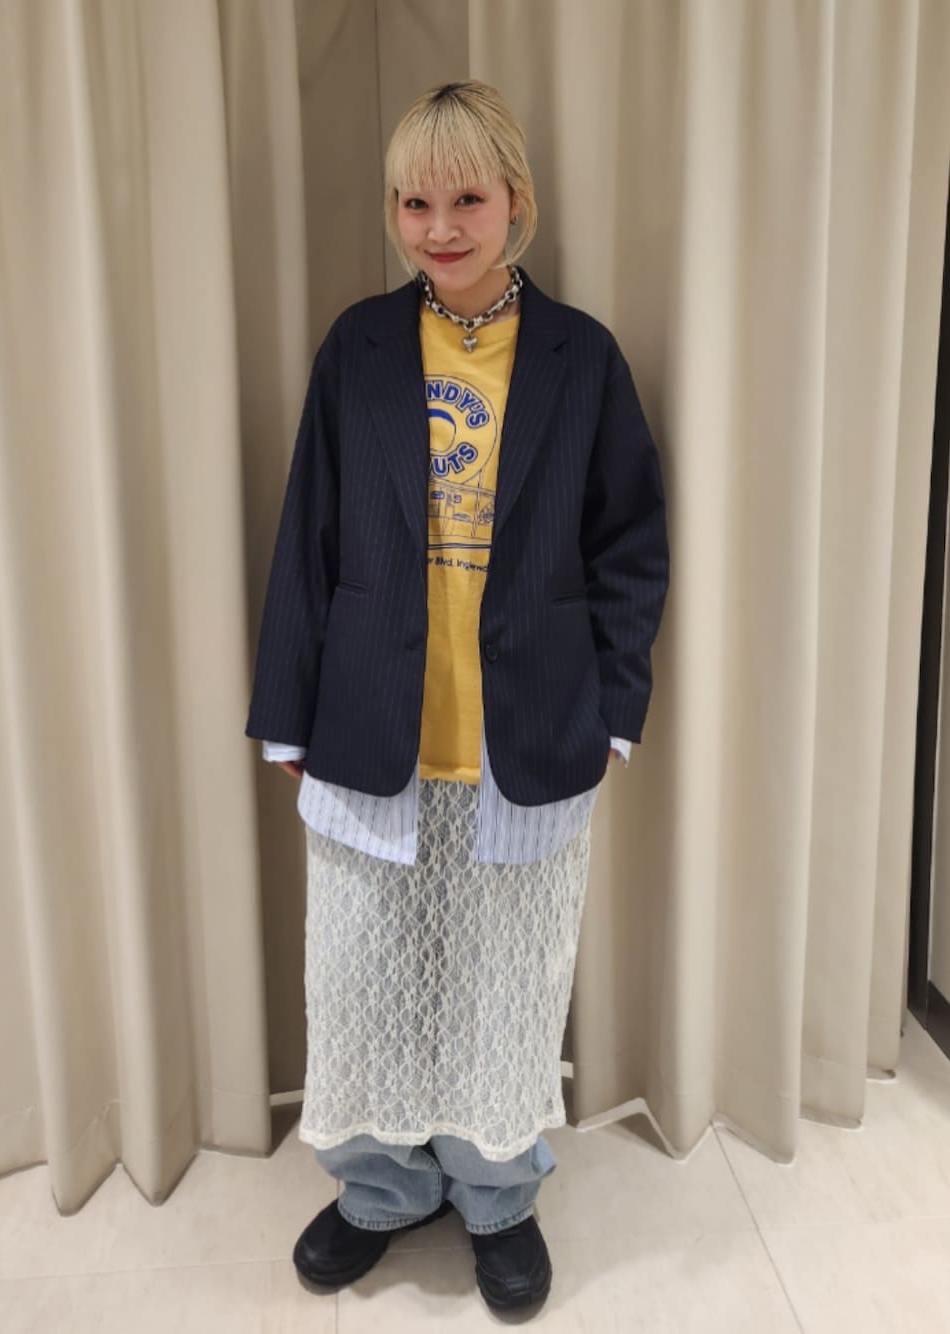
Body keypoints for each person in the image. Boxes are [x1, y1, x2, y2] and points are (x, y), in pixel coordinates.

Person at [245, 79, 669, 1313]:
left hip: (524, 733)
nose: (438, 227)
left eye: (466, 199)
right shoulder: (359, 348)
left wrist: (613, 710)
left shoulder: (582, 358)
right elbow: (307, 537)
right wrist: (287, 712)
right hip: (371, 723)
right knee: (361, 979)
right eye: (413, 203)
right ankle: (379, 1188)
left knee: (506, 989)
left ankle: (496, 1196)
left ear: (515, 202)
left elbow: (629, 545)